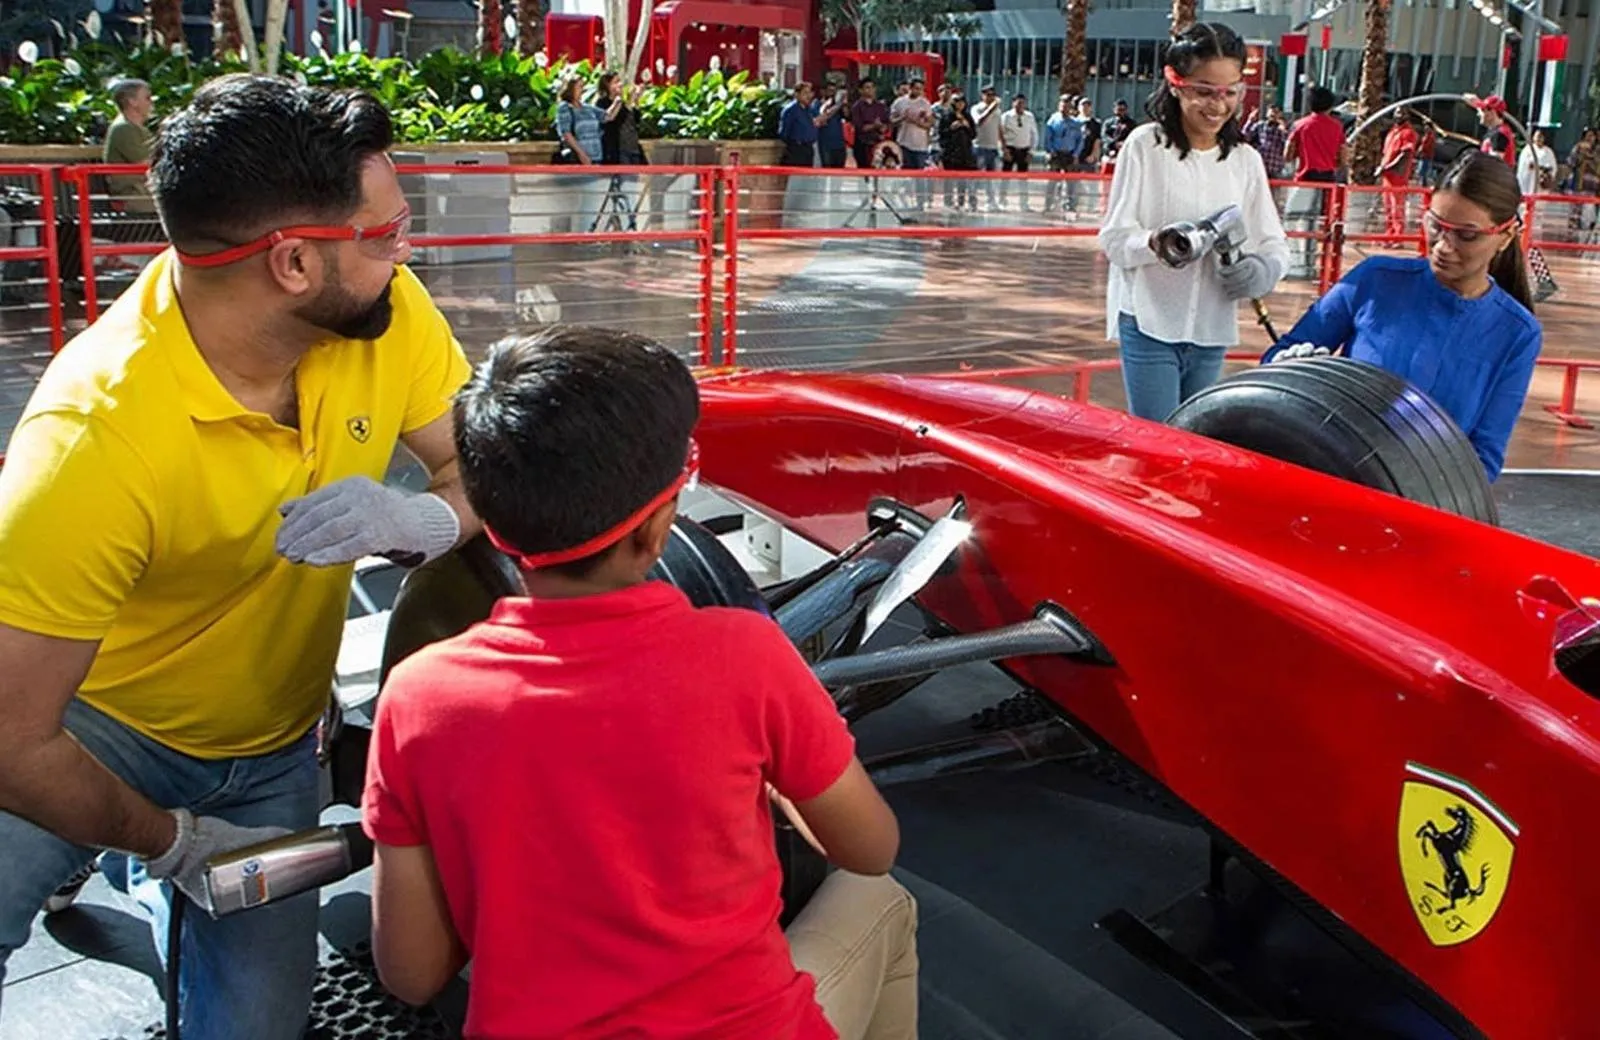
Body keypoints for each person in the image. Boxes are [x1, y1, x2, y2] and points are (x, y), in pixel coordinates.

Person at [0, 74, 481, 1039]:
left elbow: (478, 470)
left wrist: (432, 521)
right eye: (386, 235)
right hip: (94, 731)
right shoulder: (89, 444)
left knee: (255, 1028)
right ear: (295, 262)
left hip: (273, 748)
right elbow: (14, 742)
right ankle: (136, 867)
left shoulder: (385, 316)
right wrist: (169, 841)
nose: (407, 252)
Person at [363, 325, 919, 1039]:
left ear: (494, 529)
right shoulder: (745, 657)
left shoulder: (416, 698)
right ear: (660, 526)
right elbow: (869, 849)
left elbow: (411, 973)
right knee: (885, 901)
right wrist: (775, 779)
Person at [1264, 151, 1538, 481]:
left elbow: (1483, 461)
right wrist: (1288, 366)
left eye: (1466, 235)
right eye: (1436, 226)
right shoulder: (1375, 279)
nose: (1443, 246)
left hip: (1419, 504)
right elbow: (1277, 359)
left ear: (1506, 236)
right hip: (1331, 476)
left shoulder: (1517, 333)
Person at [1098, 22, 1289, 422]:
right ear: (1175, 84)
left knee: (1197, 441)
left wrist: (1261, 270)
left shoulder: (1244, 160)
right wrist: (1156, 243)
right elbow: (1115, 239)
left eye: (1230, 92)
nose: (1217, 105)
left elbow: (1274, 245)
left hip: (1210, 329)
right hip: (1149, 322)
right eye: (1203, 91)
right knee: (1160, 443)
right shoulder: (1146, 146)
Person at [103, 77, 156, 216]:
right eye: (147, 98)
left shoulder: (138, 128)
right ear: (132, 102)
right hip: (133, 195)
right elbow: (149, 163)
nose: (152, 102)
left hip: (145, 191)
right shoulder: (124, 128)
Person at [890, 77, 935, 208]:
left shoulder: (925, 103)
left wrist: (917, 121)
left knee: (919, 176)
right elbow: (891, 121)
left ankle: (920, 203)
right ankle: (903, 202)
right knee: (904, 176)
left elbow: (930, 123)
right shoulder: (899, 102)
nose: (918, 91)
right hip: (903, 143)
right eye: (916, 88)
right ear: (910, 88)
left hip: (920, 145)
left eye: (921, 89)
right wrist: (903, 118)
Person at [1378, 111, 1419, 237]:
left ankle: (1397, 236)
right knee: (1388, 207)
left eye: (1401, 113)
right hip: (1388, 175)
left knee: (1397, 207)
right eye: (1396, 112)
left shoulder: (1408, 133)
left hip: (1398, 176)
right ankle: (1389, 233)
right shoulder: (1393, 131)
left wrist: (1388, 167)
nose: (1398, 115)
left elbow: (1405, 154)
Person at [1043, 94, 1084, 213]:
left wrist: (1076, 154)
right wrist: (1050, 151)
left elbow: (1080, 140)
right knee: (1052, 182)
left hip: (1070, 155)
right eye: (1062, 104)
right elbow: (1048, 138)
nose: (1064, 107)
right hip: (1056, 154)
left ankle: (1070, 206)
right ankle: (1048, 205)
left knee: (1071, 183)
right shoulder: (1053, 120)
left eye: (1067, 105)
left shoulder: (1076, 123)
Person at [939, 93, 978, 211]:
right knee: (949, 180)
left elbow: (973, 134)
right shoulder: (947, 116)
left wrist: (966, 126)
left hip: (965, 152)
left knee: (964, 180)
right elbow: (941, 133)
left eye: (962, 102)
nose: (960, 104)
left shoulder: (968, 116)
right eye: (957, 102)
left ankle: (962, 202)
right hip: (951, 153)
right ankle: (948, 202)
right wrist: (951, 127)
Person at [999, 93, 1038, 209]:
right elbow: (1000, 134)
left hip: (1024, 150)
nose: (1020, 105)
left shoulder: (1030, 116)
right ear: (1013, 103)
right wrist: (1004, 150)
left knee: (1023, 179)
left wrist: (1031, 151)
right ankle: (1002, 201)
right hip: (1010, 149)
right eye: (1018, 102)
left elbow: (1034, 134)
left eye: (1022, 103)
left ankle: (1024, 203)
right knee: (1005, 178)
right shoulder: (1006, 116)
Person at [849, 78, 892, 171]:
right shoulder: (857, 107)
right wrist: (874, 125)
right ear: (861, 90)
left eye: (872, 87)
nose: (871, 90)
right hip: (862, 145)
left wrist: (883, 128)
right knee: (864, 172)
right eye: (867, 87)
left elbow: (886, 123)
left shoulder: (880, 106)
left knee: (879, 170)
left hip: (878, 144)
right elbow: (859, 127)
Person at [972, 84, 1004, 209]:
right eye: (987, 94)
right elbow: (978, 121)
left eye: (992, 95)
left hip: (993, 147)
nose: (990, 97)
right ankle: (973, 201)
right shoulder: (977, 108)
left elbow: (999, 128)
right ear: (982, 95)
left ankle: (991, 201)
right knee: (978, 176)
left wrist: (1004, 145)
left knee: (992, 177)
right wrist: (991, 108)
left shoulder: (997, 111)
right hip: (980, 146)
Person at [780, 82, 823, 168]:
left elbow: (817, 121)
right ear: (797, 94)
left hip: (809, 149)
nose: (808, 96)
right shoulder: (790, 110)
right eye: (805, 93)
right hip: (796, 150)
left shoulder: (810, 109)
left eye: (809, 93)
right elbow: (784, 133)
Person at [1470, 94, 1517, 167]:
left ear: (1492, 113)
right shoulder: (1497, 131)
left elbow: (1494, 166)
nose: (1478, 114)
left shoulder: (1500, 134)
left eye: (1482, 110)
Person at [1517, 127, 1556, 198]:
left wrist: (1546, 172)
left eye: (1541, 137)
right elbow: (1526, 165)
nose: (1539, 139)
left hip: (1542, 183)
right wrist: (1537, 167)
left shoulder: (1549, 151)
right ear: (1533, 137)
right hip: (1530, 182)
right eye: (1537, 136)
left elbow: (1553, 167)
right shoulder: (1527, 150)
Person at [818, 85, 850, 169]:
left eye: (834, 91)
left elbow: (847, 116)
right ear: (823, 91)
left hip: (840, 145)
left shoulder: (837, 106)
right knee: (827, 172)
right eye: (830, 90)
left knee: (839, 173)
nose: (833, 93)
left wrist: (844, 104)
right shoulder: (817, 104)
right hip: (826, 146)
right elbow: (824, 117)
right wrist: (839, 104)